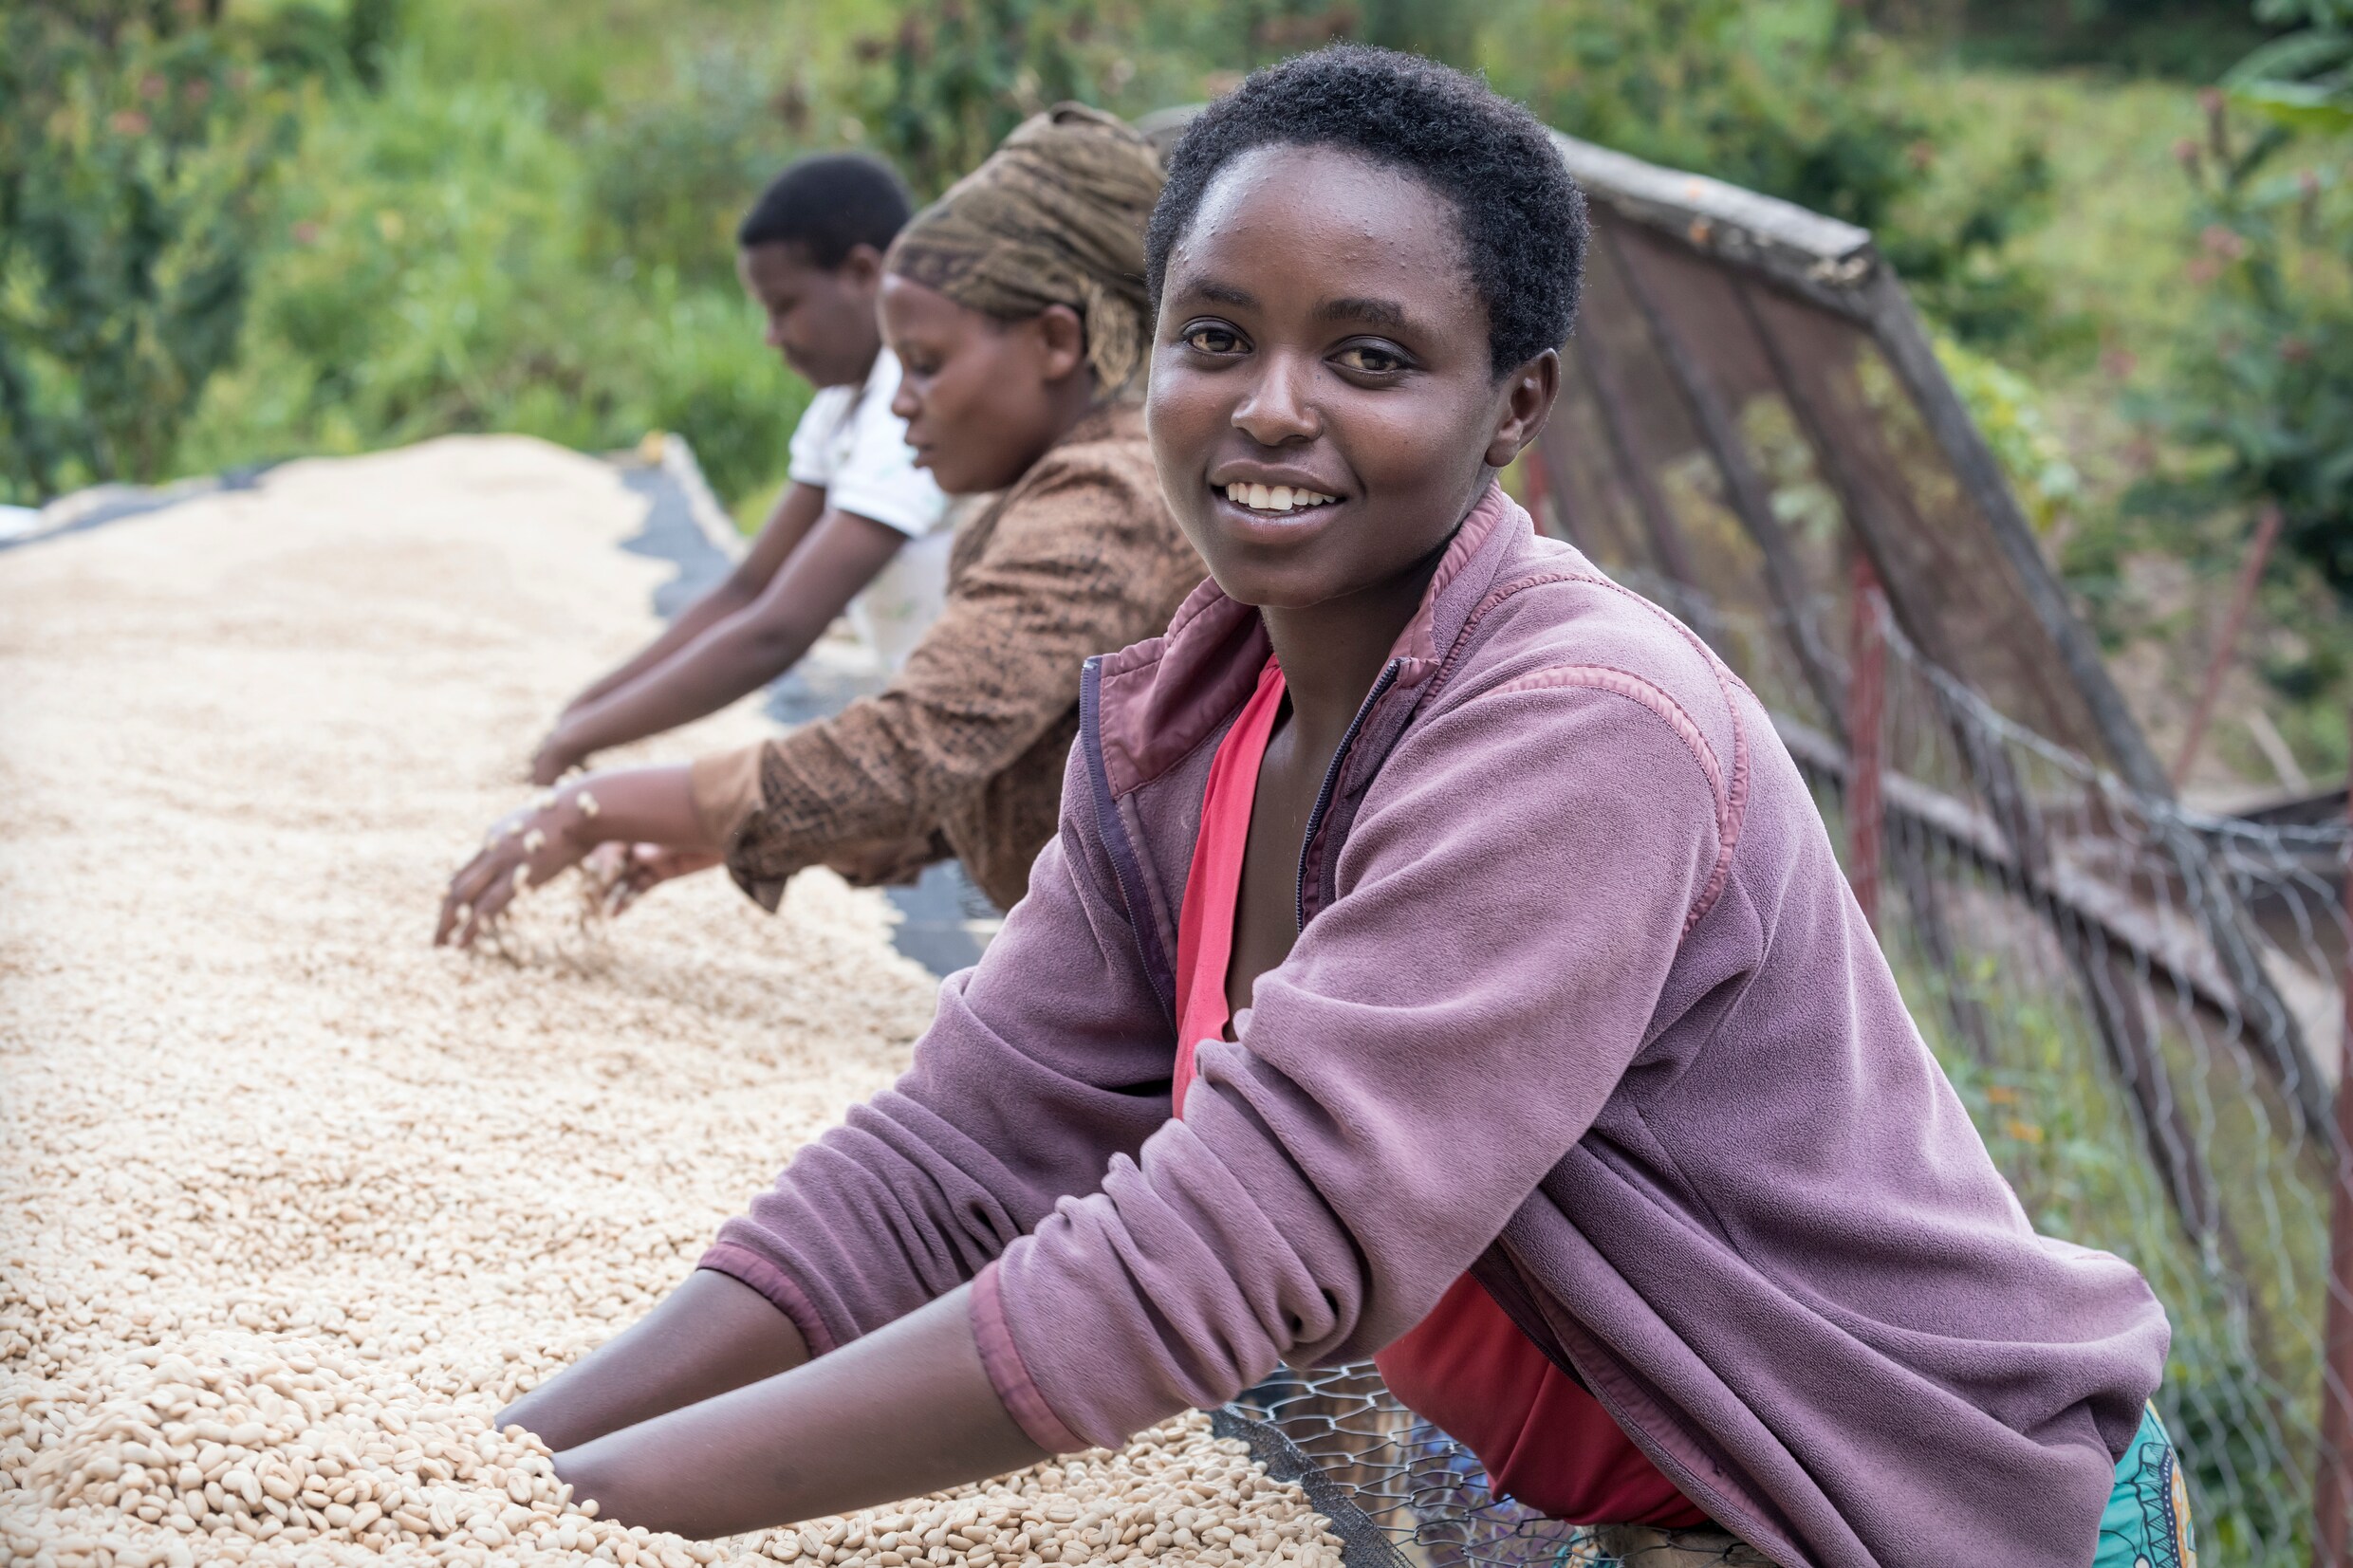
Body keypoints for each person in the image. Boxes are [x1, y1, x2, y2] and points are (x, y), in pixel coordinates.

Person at [480, 49, 2186, 1568]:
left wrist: (611, 1512)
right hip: (1635, 1489)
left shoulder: (1582, 729)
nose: (1272, 404)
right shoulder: (1186, 718)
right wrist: (511, 1459)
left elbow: (1234, 1235)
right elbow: (954, 1155)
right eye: (1217, 337)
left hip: (1907, 1491)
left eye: (1370, 354)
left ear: (1515, 404)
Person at [437, 104, 1203, 941]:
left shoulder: (1107, 496)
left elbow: (912, 749)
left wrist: (588, 806)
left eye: (927, 365)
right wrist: (755, 829)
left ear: (1057, 341)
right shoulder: (1086, 478)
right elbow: (1023, 765)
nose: (902, 401)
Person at [526, 153, 953, 789]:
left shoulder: (908, 404)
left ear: (863, 273)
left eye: (784, 307)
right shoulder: (841, 406)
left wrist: (585, 737)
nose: (772, 336)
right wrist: (583, 711)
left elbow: (779, 629)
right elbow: (747, 589)